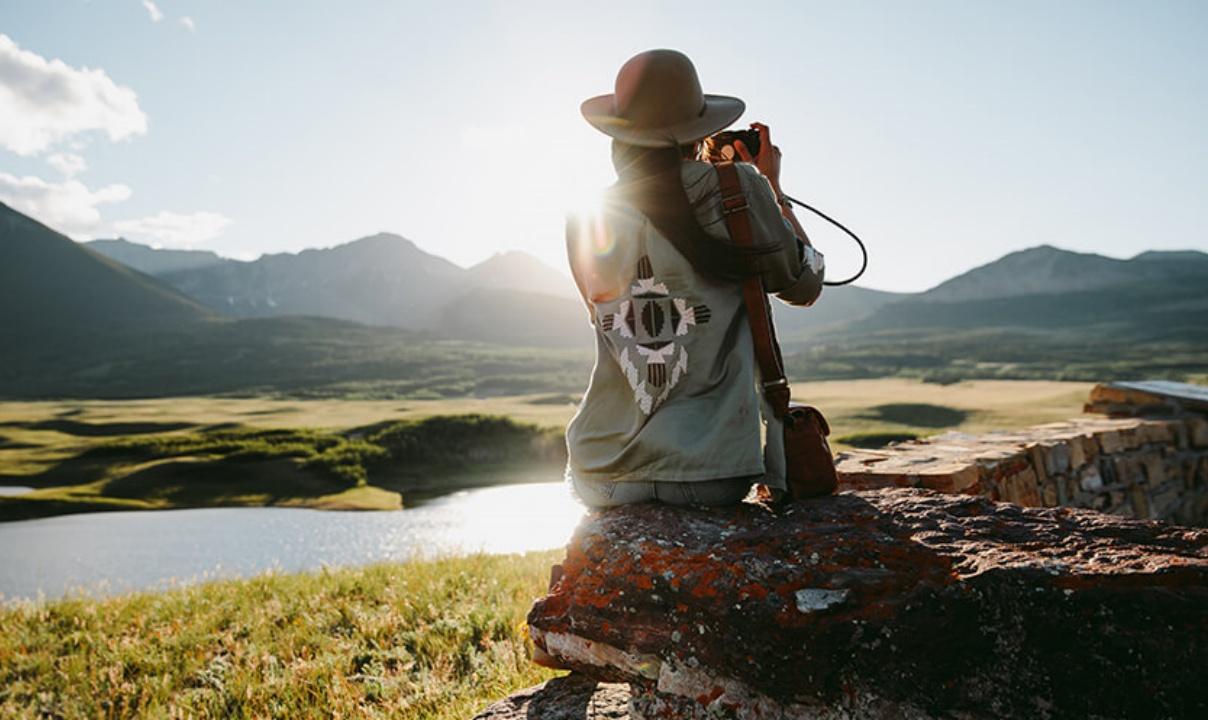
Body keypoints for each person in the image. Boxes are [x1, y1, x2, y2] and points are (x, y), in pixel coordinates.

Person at [564, 49, 825, 509]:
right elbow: (803, 286)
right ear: (698, 129)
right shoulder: (737, 188)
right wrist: (772, 190)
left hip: (601, 473)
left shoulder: (586, 215)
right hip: (711, 471)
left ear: (617, 134)